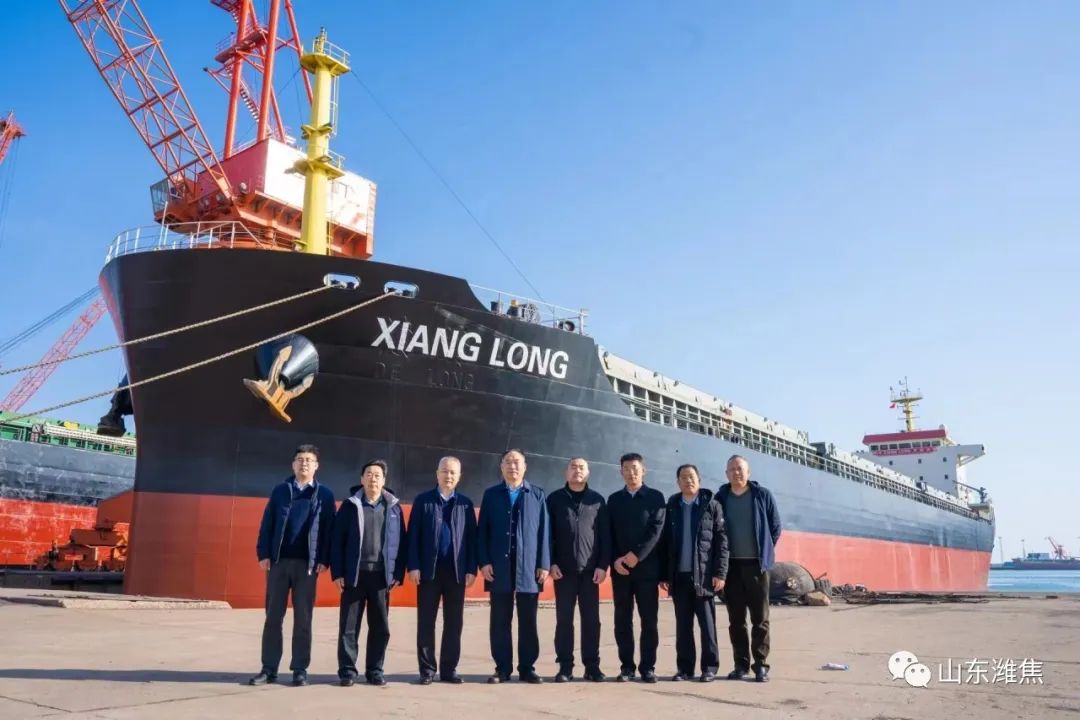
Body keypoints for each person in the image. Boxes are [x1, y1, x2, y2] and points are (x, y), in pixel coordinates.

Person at [250, 444, 336, 687]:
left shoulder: (325, 495)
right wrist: (263, 553)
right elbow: (267, 523)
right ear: (293, 464)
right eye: (300, 459)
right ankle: (269, 668)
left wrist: (324, 559)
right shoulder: (280, 491)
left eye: (309, 460)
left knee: (303, 619)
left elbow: (329, 530)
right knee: (273, 617)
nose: (304, 463)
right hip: (278, 563)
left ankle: (299, 669)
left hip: (307, 566)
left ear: (316, 466)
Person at [330, 459, 407, 687]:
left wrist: (398, 573)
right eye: (369, 474)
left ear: (384, 481)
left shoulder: (393, 508)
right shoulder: (350, 506)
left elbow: (401, 542)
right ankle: (347, 671)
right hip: (354, 576)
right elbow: (337, 541)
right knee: (349, 627)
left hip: (381, 576)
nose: (373, 478)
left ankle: (375, 670)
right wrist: (337, 572)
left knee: (380, 627)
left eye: (377, 475)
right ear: (361, 479)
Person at [476, 448, 551, 684]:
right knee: (500, 620)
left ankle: (527, 668)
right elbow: (482, 532)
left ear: (525, 466)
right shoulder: (491, 495)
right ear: (501, 467)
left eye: (517, 462)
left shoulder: (537, 494)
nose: (512, 466)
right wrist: (484, 562)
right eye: (508, 462)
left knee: (528, 620)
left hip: (529, 568)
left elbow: (544, 532)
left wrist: (544, 564)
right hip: (498, 566)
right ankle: (502, 668)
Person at [406, 456, 478, 685]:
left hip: (456, 573)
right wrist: (414, 565)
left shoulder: (466, 504)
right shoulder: (423, 501)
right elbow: (413, 536)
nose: (449, 476)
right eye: (445, 471)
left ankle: (449, 669)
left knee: (454, 623)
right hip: (429, 572)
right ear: (437, 474)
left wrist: (471, 568)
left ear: (459, 476)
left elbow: (472, 539)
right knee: (426, 621)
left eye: (453, 472)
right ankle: (427, 670)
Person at [660, 464, 729, 682]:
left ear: (699, 479)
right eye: (683, 477)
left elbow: (722, 542)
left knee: (707, 625)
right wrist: (664, 575)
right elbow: (665, 543)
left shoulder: (712, 505)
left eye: (691, 477)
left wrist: (720, 573)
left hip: (704, 576)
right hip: (679, 576)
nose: (688, 480)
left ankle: (710, 667)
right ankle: (685, 668)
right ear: (677, 482)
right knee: (683, 626)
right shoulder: (672, 506)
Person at [717, 454, 782, 683]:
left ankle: (761, 665)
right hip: (731, 567)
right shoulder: (721, 497)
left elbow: (775, 526)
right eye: (732, 469)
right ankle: (740, 665)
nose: (736, 472)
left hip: (756, 566)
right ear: (726, 474)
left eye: (740, 469)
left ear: (748, 472)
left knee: (760, 618)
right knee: (736, 620)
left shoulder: (762, 495)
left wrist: (764, 549)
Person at [547, 457, 611, 682]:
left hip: (590, 573)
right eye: (573, 467)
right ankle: (565, 667)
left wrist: (603, 565)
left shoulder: (597, 501)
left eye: (581, 467)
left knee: (591, 621)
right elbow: (547, 535)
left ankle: (592, 666)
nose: (577, 471)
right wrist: (551, 562)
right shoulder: (554, 499)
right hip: (563, 572)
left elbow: (605, 537)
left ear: (588, 472)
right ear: (566, 472)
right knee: (564, 620)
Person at [606, 452, 666, 683]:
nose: (631, 473)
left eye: (635, 469)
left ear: (643, 471)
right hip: (621, 571)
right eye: (626, 469)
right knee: (622, 621)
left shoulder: (655, 497)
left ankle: (648, 667)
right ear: (620, 472)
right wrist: (615, 559)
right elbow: (608, 534)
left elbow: (656, 531)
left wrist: (636, 556)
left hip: (647, 571)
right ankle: (627, 667)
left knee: (649, 621)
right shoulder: (614, 500)